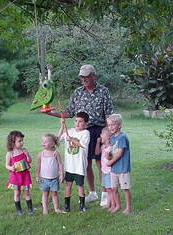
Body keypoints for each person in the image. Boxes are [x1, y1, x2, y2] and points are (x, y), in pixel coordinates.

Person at [43, 64, 114, 203]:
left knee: (101, 163)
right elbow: (69, 112)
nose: (84, 79)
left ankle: (105, 195)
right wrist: (51, 113)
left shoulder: (103, 91)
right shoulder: (78, 92)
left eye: (86, 76)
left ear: (93, 75)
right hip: (83, 132)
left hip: (99, 130)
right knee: (85, 163)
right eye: (82, 76)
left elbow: (109, 116)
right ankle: (93, 193)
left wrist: (108, 135)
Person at [57, 112, 90, 212]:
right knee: (68, 185)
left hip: (79, 166)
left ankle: (82, 205)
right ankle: (67, 206)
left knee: (80, 185)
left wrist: (71, 139)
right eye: (76, 121)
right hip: (69, 166)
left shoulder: (85, 133)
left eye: (80, 121)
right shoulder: (70, 131)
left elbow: (82, 145)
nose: (77, 123)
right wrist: (62, 127)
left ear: (86, 123)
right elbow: (57, 140)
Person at [106, 114, 131, 214]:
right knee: (114, 188)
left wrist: (110, 162)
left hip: (123, 168)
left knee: (125, 189)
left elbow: (120, 153)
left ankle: (128, 207)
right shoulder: (112, 138)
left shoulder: (122, 137)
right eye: (109, 125)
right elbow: (113, 152)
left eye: (113, 125)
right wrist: (109, 157)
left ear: (119, 125)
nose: (110, 127)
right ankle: (118, 205)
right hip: (114, 169)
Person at [5, 130, 34, 216]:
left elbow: (30, 161)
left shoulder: (24, 150)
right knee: (17, 193)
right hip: (15, 176)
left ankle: (30, 209)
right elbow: (6, 165)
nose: (22, 142)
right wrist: (11, 167)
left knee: (27, 192)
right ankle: (19, 210)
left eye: (22, 140)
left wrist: (27, 155)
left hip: (25, 175)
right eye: (19, 141)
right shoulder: (10, 153)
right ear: (12, 142)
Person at [35, 133, 64, 215]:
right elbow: (38, 166)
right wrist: (37, 176)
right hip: (44, 178)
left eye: (46, 142)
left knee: (54, 194)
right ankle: (45, 209)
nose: (43, 143)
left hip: (54, 178)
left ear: (52, 144)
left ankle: (56, 208)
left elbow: (60, 164)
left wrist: (61, 174)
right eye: (42, 141)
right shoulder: (41, 154)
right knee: (45, 194)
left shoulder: (55, 153)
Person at [95, 127, 114, 209]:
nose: (100, 135)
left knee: (110, 189)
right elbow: (97, 153)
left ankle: (112, 204)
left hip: (109, 172)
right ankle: (109, 204)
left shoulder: (111, 147)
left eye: (102, 134)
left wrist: (109, 157)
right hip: (104, 171)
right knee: (107, 188)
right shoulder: (103, 147)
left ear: (108, 137)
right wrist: (98, 143)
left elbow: (113, 158)